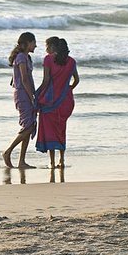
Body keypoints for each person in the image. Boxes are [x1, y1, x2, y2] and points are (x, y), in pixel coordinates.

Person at [35, 38, 80, 168]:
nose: (46, 49)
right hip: (66, 101)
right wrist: (69, 89)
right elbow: (76, 80)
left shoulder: (48, 59)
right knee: (61, 129)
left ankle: (52, 162)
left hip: (51, 100)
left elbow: (46, 81)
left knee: (50, 130)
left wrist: (36, 94)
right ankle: (62, 160)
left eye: (47, 46)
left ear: (53, 47)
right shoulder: (71, 61)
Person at [2, 32, 37, 169]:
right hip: (23, 95)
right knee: (28, 126)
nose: (36, 45)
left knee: (29, 126)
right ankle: (8, 151)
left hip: (25, 93)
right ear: (27, 43)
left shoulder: (26, 57)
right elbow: (23, 79)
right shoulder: (21, 57)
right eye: (34, 42)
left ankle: (22, 161)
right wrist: (31, 96)